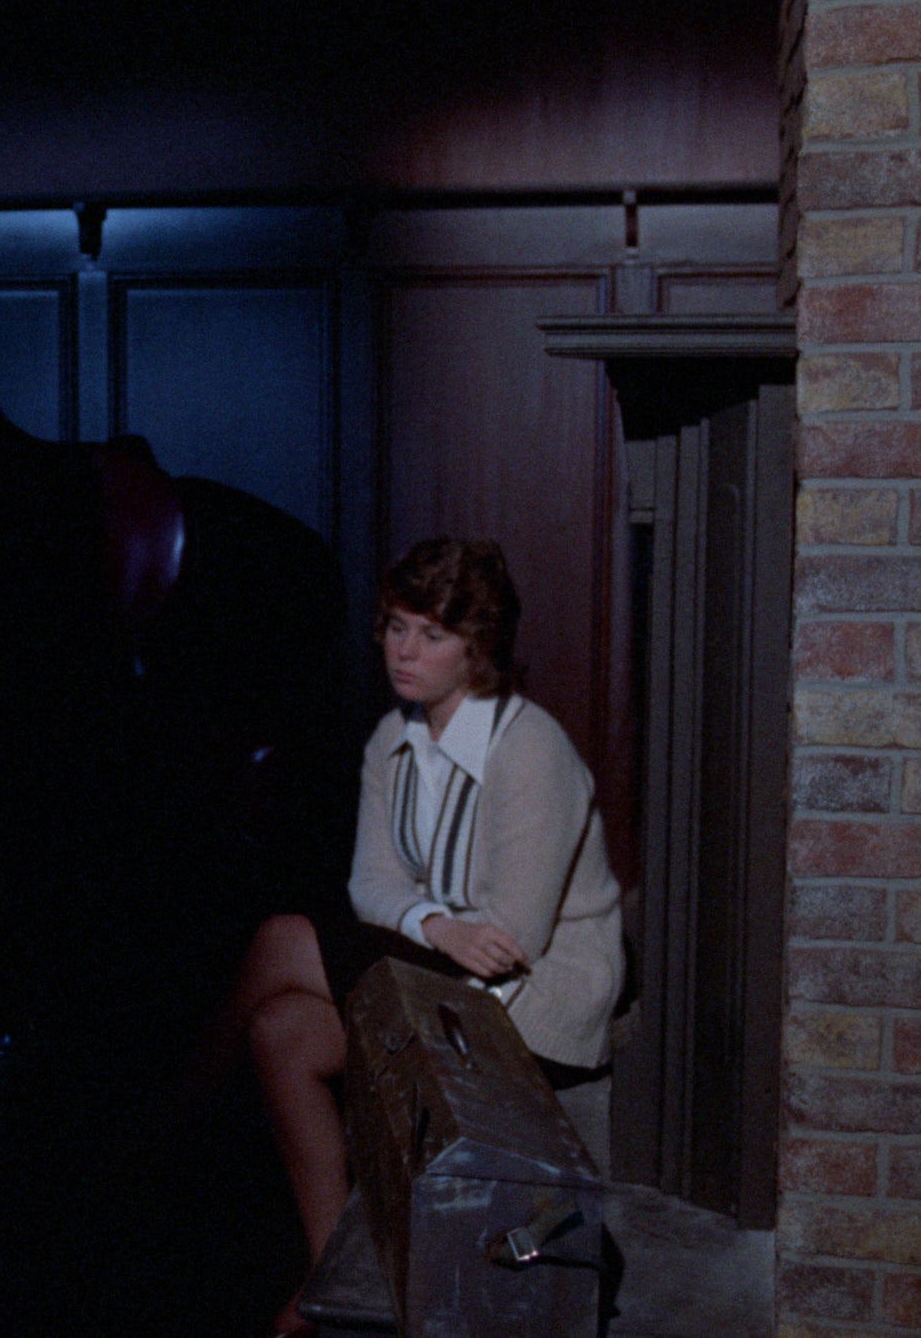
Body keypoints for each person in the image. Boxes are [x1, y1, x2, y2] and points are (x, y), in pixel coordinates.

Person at [225, 537, 624, 1337]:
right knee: (280, 1033)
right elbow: (370, 889)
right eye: (396, 627)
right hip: (452, 962)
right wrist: (435, 923)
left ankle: (160, 1128)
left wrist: (433, 927)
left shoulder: (529, 747)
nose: (403, 652)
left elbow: (511, 938)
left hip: (534, 1000)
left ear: (477, 649)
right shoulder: (393, 740)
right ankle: (328, 1275)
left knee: (281, 939)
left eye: (432, 634)